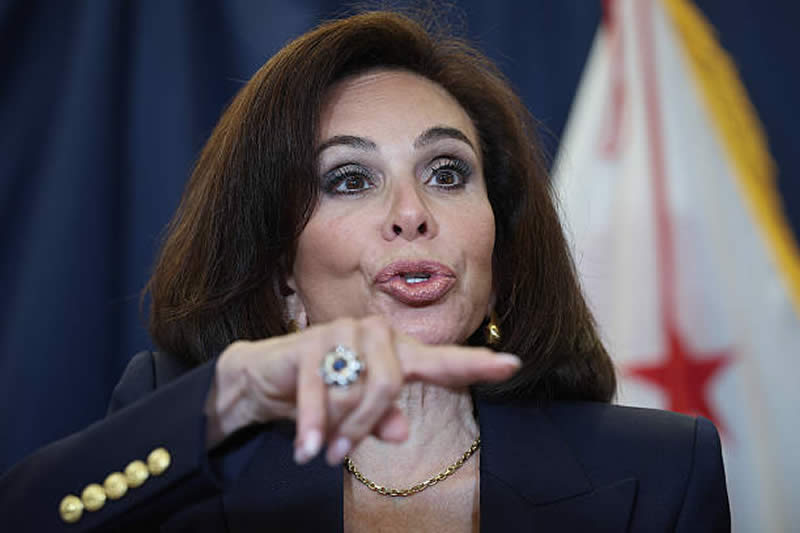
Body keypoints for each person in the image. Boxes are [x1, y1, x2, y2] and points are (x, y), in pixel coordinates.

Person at [0, 10, 729, 532]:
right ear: (282, 273)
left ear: (500, 245)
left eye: (447, 172)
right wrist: (231, 397)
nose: (412, 212)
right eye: (349, 179)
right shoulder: (190, 433)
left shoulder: (662, 470)